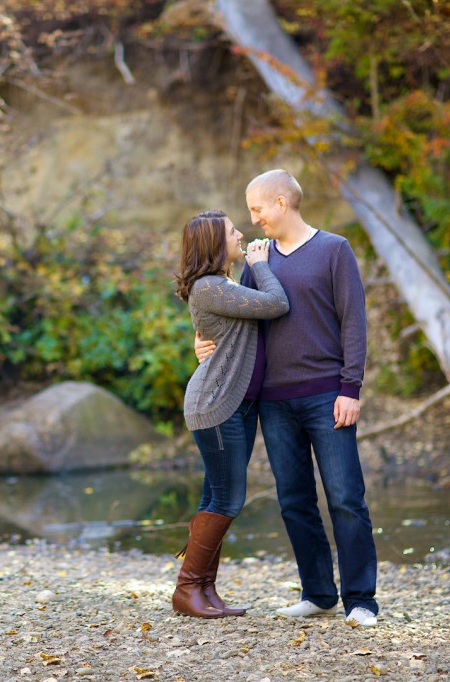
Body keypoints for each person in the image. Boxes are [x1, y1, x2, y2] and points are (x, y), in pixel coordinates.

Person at [195, 170, 379, 627]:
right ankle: (318, 593)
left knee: (345, 498)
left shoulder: (334, 249)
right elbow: (236, 319)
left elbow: (353, 322)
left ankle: (362, 601)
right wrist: (201, 345)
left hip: (326, 395)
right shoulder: (258, 262)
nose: (253, 219)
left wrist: (350, 388)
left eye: (257, 209)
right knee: (294, 500)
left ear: (281, 202)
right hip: (274, 402)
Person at [172, 210, 289, 618]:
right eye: (232, 232)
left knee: (214, 497)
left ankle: (204, 590)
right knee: (227, 499)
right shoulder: (210, 287)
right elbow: (276, 303)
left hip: (233, 403)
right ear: (214, 245)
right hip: (215, 405)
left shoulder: (222, 286)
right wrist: (260, 263)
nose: (242, 234)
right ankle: (187, 590)